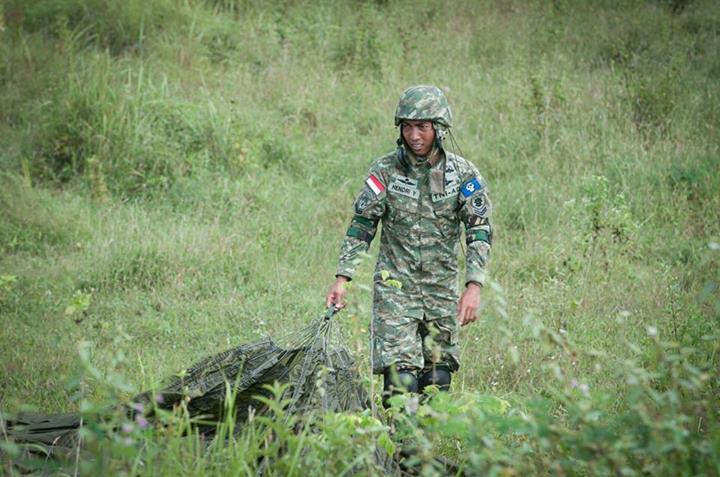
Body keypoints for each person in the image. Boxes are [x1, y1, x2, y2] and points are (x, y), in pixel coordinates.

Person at [325, 85, 493, 406]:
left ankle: (425, 454)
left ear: (438, 129)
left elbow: (479, 230)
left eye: (423, 127)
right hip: (395, 289)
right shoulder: (384, 171)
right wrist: (342, 278)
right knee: (400, 381)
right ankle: (400, 451)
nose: (414, 135)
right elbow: (362, 225)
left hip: (440, 289)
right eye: (407, 127)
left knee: (436, 378)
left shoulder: (463, 175)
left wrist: (474, 286)